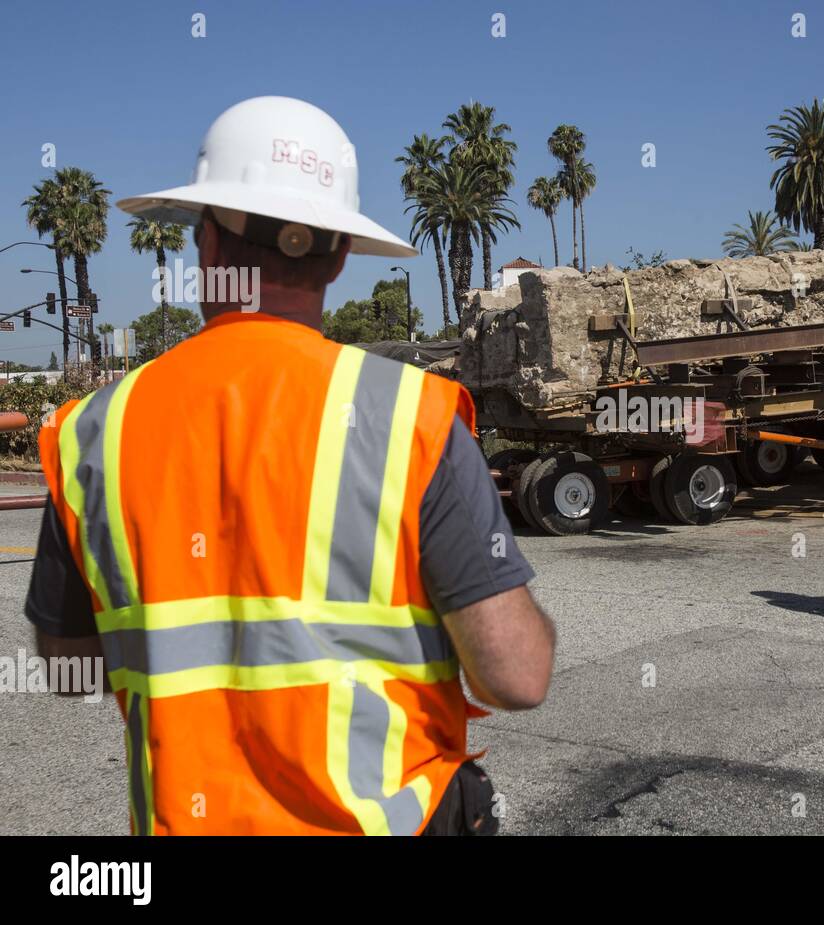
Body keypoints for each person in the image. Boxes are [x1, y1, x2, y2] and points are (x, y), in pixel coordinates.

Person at [25, 96, 555, 835]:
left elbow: (67, 670)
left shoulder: (91, 432)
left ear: (205, 241)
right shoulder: (410, 415)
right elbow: (516, 675)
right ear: (339, 254)